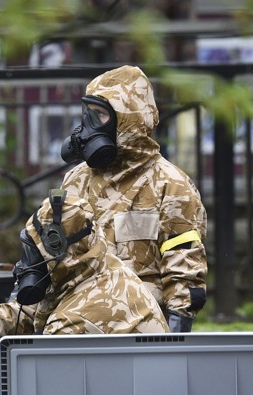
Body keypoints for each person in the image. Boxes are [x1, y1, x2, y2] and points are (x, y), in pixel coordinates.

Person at [0, 190, 169, 395]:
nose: (24, 265)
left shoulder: (79, 318)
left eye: (32, 255)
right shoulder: (94, 262)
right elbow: (40, 310)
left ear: (58, 249)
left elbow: (36, 389)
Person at [60, 65, 207, 333]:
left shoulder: (170, 185)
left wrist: (173, 339)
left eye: (100, 115)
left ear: (128, 120)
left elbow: (183, 270)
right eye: (88, 114)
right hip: (76, 321)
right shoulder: (76, 180)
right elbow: (53, 257)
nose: (89, 125)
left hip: (139, 328)